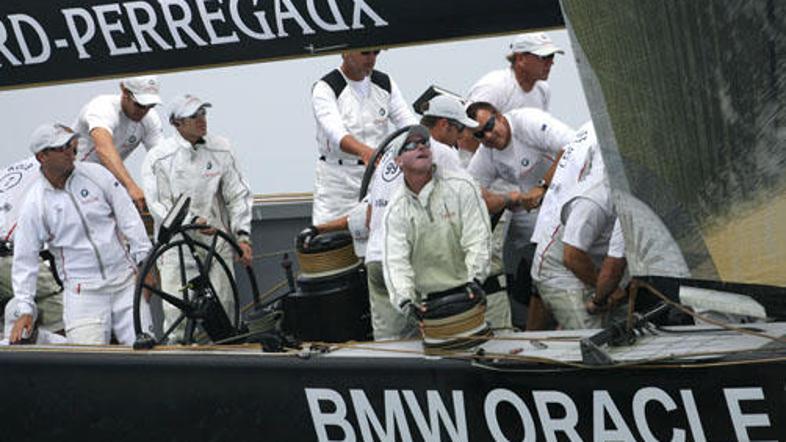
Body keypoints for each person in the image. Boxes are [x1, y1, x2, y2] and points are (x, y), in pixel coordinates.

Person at [9, 123, 153, 345]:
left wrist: (146, 265)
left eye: (70, 144)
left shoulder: (98, 175)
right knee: (89, 367)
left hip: (125, 284)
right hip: (83, 295)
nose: (70, 151)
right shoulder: (34, 204)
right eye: (61, 147)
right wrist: (25, 308)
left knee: (147, 356)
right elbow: (25, 260)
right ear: (42, 157)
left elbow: (130, 220)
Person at [142, 94, 253, 341]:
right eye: (194, 116)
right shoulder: (158, 158)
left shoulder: (222, 148)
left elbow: (238, 195)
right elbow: (159, 205)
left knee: (226, 310)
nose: (201, 120)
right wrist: (192, 220)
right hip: (177, 247)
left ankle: (228, 358)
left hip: (218, 242)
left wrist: (243, 237)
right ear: (176, 123)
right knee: (177, 316)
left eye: (203, 113)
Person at [466, 101, 573, 330]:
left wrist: (543, 186)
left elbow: (572, 146)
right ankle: (525, 326)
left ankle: (563, 319)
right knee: (513, 257)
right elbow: (469, 193)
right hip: (534, 210)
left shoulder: (527, 122)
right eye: (480, 134)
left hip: (567, 194)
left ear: (500, 116)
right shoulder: (487, 153)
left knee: (557, 264)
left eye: (490, 125)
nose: (489, 135)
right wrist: (507, 199)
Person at [382, 125, 492, 338]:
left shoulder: (463, 186)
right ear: (398, 161)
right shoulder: (395, 211)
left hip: (469, 293)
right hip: (427, 307)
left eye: (424, 143)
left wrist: (474, 282)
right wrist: (406, 303)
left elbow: (478, 239)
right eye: (411, 145)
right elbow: (395, 263)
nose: (421, 147)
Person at [531, 123, 628, 329]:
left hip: (593, 258)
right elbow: (572, 257)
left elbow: (617, 261)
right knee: (590, 336)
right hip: (559, 266)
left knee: (622, 329)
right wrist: (600, 297)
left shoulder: (631, 198)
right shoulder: (596, 200)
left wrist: (606, 292)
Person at [310, 49, 417, 225]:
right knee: (330, 240)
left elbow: (407, 123)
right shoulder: (326, 88)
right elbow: (336, 132)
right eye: (365, 53)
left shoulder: (384, 83)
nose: (371, 59)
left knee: (381, 235)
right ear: (346, 53)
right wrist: (364, 152)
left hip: (377, 176)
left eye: (376, 53)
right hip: (337, 182)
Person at [73, 75, 164, 212]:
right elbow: (104, 149)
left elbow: (162, 161)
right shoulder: (102, 107)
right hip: (71, 178)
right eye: (140, 105)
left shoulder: (150, 119)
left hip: (103, 182)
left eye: (150, 106)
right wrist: (131, 187)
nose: (144, 111)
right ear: (124, 91)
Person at [467, 32, 563, 113]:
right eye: (544, 57)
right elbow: (468, 130)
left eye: (551, 56)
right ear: (520, 59)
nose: (551, 63)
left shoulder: (543, 89)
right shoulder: (493, 87)